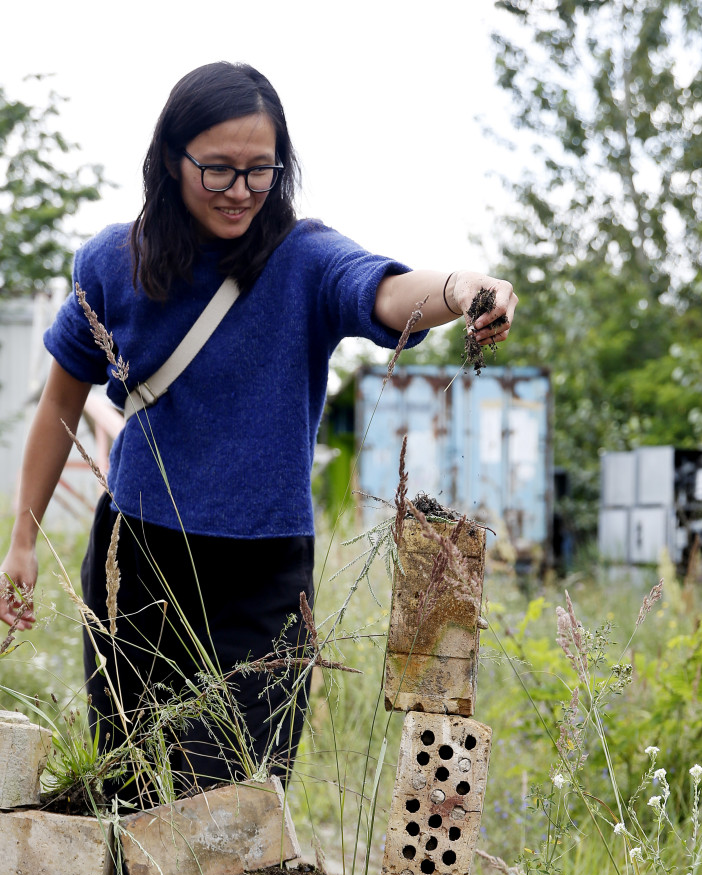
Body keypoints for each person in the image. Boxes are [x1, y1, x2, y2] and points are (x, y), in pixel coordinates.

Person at [0, 62, 517, 804]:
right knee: (129, 796)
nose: (241, 191)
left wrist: (462, 287)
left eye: (260, 171)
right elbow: (59, 403)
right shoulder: (114, 263)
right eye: (218, 169)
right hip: (136, 564)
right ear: (170, 159)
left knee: (239, 808)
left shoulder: (304, 260)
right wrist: (22, 540)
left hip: (265, 581)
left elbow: (385, 291)